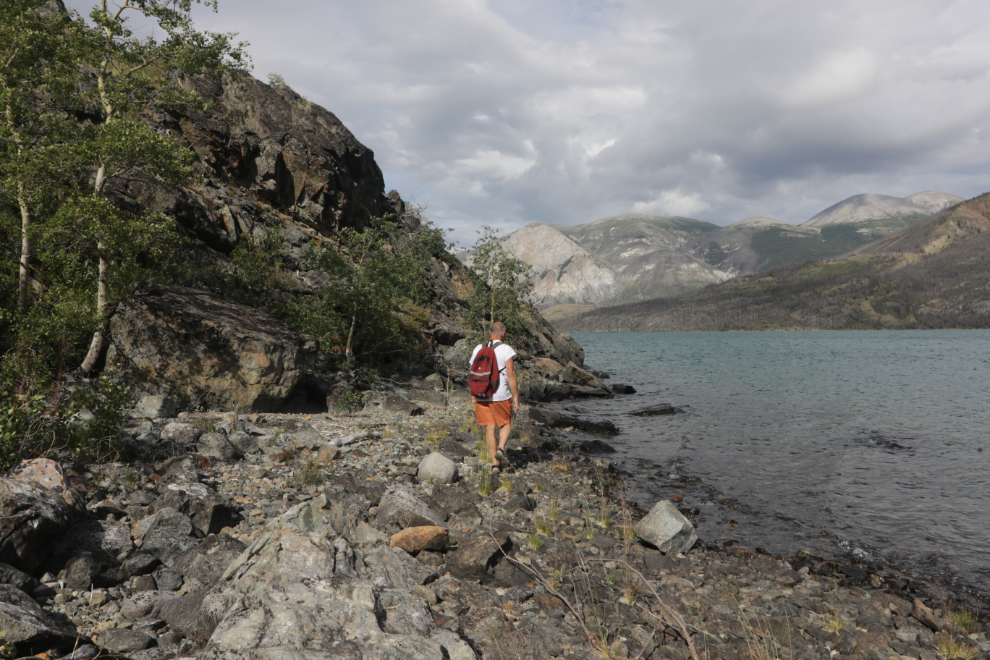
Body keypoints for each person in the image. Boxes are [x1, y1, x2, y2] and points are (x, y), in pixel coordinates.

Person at [470, 322, 519, 475]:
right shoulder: (506, 349)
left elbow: (473, 371)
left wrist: (474, 393)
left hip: (482, 394)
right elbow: (510, 374)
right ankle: (501, 448)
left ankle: (495, 465)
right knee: (505, 423)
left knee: (489, 428)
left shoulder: (479, 348)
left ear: (491, 332)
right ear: (502, 333)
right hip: (500, 395)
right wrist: (516, 396)